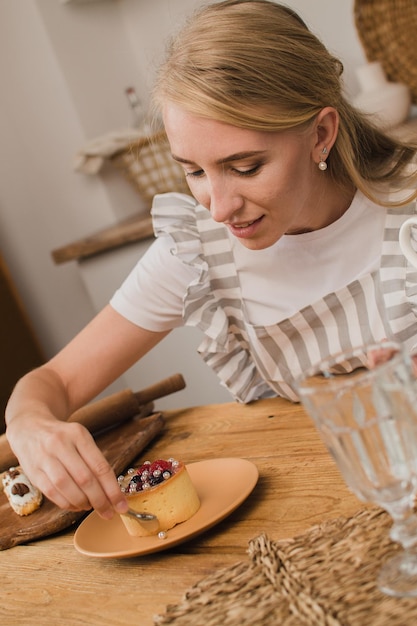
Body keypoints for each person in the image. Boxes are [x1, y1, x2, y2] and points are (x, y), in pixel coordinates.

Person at [5, 0, 417, 520]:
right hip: (313, 517)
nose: (219, 208)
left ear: (320, 133)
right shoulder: (200, 249)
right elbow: (53, 385)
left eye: (244, 167)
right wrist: (29, 426)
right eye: (194, 172)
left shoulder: (407, 215)